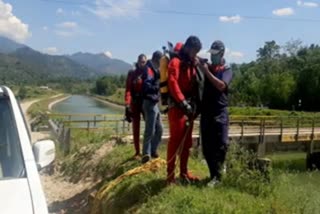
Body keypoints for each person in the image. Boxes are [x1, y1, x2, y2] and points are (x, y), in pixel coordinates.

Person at [166, 36, 202, 184]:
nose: (195, 54)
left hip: (189, 109)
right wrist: (182, 102)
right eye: (195, 51)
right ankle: (170, 177)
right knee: (175, 142)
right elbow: (173, 83)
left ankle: (184, 173)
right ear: (188, 48)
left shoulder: (191, 63)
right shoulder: (176, 62)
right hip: (177, 108)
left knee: (187, 143)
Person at [197, 40, 233, 187]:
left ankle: (218, 176)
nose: (212, 58)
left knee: (222, 144)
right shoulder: (208, 66)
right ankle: (214, 176)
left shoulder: (227, 69)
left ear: (222, 53)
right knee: (207, 146)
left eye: (215, 55)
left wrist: (206, 71)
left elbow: (221, 85)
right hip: (206, 112)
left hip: (220, 112)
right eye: (211, 55)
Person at [141, 51, 164, 163]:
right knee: (149, 130)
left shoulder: (154, 69)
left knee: (159, 129)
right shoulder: (149, 69)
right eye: (161, 61)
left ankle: (153, 150)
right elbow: (147, 86)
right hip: (149, 102)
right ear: (157, 59)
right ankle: (146, 154)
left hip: (154, 103)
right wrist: (158, 86)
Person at [124, 54, 148, 159]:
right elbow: (128, 89)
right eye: (140, 62)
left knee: (150, 127)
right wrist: (127, 104)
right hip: (135, 103)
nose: (142, 64)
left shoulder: (149, 72)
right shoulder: (132, 73)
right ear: (137, 62)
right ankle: (137, 152)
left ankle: (148, 151)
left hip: (146, 102)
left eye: (144, 62)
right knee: (136, 128)